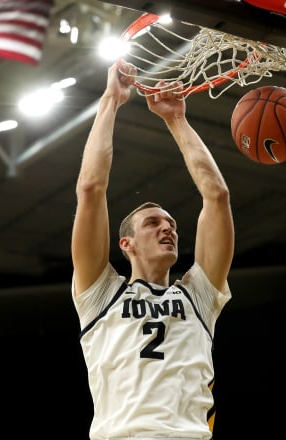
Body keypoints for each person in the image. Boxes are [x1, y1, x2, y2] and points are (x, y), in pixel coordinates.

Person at [70, 58, 235, 440]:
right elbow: (91, 189)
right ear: (125, 244)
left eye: (172, 224)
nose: (168, 228)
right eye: (153, 223)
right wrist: (111, 99)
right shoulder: (100, 295)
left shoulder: (200, 294)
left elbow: (217, 196)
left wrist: (176, 119)